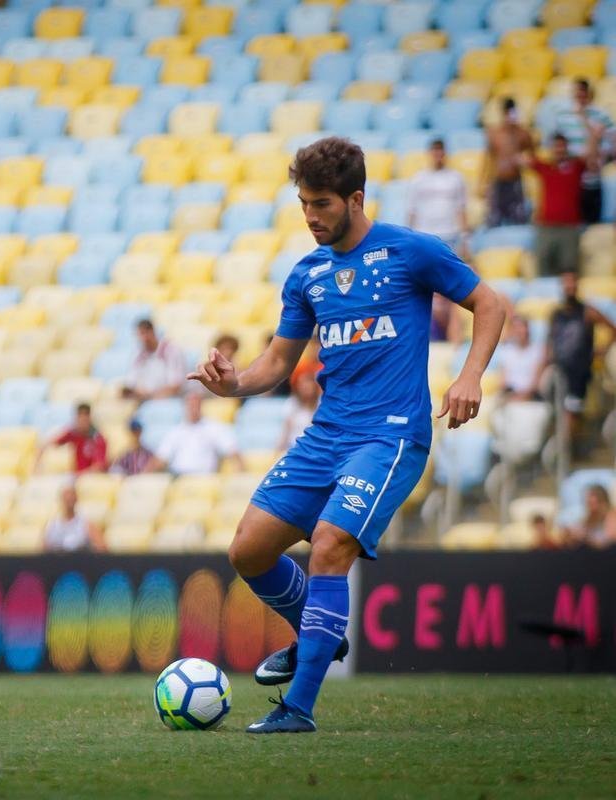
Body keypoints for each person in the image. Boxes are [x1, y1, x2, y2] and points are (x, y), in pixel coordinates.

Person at [188, 136, 505, 734]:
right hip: (327, 435)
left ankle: (298, 709)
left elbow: (489, 304)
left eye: (323, 204)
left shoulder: (411, 252)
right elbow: (277, 364)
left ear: (356, 199)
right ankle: (318, 632)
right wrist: (231, 384)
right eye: (304, 203)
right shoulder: (307, 273)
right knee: (248, 551)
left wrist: (469, 376)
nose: (310, 216)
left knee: (331, 542)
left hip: (390, 438)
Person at [546, 272, 616, 449]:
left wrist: (602, 351)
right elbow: (550, 340)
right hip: (559, 370)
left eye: (572, 283)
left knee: (572, 411)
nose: (569, 287)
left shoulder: (587, 312)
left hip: (579, 372)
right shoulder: (556, 314)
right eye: (566, 284)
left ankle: (563, 450)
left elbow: (612, 329)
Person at [526, 132, 600, 277]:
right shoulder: (545, 167)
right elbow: (526, 157)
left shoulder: (576, 167)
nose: (559, 149)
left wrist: (593, 135)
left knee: (569, 269)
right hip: (546, 227)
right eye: (556, 146)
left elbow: (592, 159)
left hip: (569, 227)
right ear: (551, 149)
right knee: (543, 268)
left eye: (562, 146)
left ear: (567, 148)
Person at [554, 79, 613, 224]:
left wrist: (600, 155)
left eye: (583, 95)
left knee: (593, 219)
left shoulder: (601, 115)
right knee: (573, 220)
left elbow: (611, 142)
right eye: (577, 95)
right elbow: (558, 145)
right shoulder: (562, 115)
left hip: (593, 175)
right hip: (573, 176)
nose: (580, 99)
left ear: (589, 95)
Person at [146, 393, 243, 476]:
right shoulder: (176, 431)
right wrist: (144, 475)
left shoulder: (214, 428)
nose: (193, 408)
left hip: (203, 480)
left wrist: (240, 473)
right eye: (190, 405)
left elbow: (232, 451)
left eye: (196, 405)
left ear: (201, 406)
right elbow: (161, 458)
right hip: (178, 478)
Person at [406, 138, 469, 256]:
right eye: (435, 151)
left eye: (440, 151)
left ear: (445, 153)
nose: (438, 155)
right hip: (424, 234)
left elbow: (461, 209)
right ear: (429, 153)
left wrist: (465, 239)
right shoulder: (418, 179)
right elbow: (412, 210)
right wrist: (409, 238)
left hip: (450, 235)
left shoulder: (456, 178)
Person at [484, 98, 533, 227]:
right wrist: (485, 183)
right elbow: (489, 159)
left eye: (510, 112)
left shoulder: (521, 133)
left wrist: (524, 160)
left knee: (518, 219)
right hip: (499, 181)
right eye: (506, 112)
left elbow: (532, 152)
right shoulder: (495, 133)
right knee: (495, 219)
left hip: (515, 180)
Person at [121, 319, 188, 403]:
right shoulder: (138, 354)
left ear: (152, 332)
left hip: (171, 402)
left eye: (145, 333)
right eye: (140, 334)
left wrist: (149, 396)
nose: (143, 338)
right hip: (147, 401)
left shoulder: (171, 350)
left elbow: (176, 386)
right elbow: (130, 384)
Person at [37, 403, 107, 474]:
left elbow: (99, 466)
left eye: (84, 419)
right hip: (76, 475)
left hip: (90, 478)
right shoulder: (74, 433)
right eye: (79, 419)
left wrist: (80, 476)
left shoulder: (98, 439)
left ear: (89, 418)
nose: (81, 422)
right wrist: (37, 464)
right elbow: (49, 443)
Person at [43, 485, 105, 552]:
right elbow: (43, 549)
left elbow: (102, 547)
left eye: (71, 497)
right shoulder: (51, 525)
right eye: (66, 497)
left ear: (76, 499)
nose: (69, 500)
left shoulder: (86, 524)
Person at [497, 315, 544, 400]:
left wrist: (523, 396)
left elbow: (536, 382)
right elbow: (503, 381)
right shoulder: (506, 350)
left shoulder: (538, 351)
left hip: (531, 396)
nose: (519, 331)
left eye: (521, 327)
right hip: (510, 395)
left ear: (527, 329)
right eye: (515, 328)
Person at [278, 369, 321, 451]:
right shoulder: (291, 404)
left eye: (308, 384)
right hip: (293, 448)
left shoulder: (321, 404)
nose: (305, 387)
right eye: (302, 384)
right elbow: (285, 431)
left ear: (314, 386)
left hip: (315, 447)